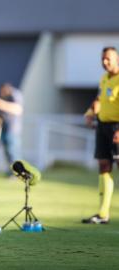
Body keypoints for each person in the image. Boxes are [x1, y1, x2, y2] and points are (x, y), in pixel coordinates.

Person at [82, 47, 119, 224]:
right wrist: (90, 112)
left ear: (116, 59)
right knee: (104, 166)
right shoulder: (104, 78)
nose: (105, 62)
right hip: (103, 126)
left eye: (108, 59)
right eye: (103, 59)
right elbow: (99, 99)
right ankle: (103, 213)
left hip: (117, 128)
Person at [0, 83, 24, 175]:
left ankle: (18, 173)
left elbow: (18, 109)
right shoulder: (5, 96)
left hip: (13, 130)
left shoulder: (15, 95)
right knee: (8, 152)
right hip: (4, 129)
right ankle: (12, 172)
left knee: (13, 152)